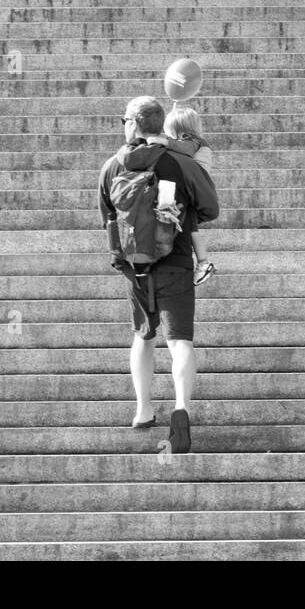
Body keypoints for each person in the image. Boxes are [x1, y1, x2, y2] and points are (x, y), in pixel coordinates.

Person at [98, 95, 219, 452]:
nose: (124, 125)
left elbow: (105, 213)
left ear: (134, 123)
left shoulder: (112, 165)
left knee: (143, 336)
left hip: (134, 264)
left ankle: (143, 409)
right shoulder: (182, 162)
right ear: (160, 123)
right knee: (180, 341)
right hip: (176, 259)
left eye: (124, 120)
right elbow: (210, 207)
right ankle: (181, 408)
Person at [162, 105, 216, 285]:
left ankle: (203, 262)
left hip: (195, 187)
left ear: (179, 129)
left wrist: (164, 142)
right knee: (191, 226)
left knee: (192, 229)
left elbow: (184, 150)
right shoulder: (195, 141)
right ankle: (202, 262)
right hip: (194, 186)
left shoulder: (194, 142)